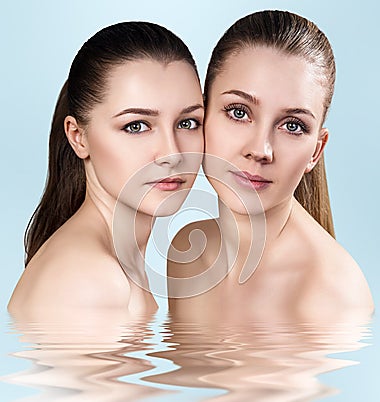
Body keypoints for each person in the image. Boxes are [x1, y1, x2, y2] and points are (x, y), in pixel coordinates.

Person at [168, 10, 373, 321]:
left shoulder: (335, 297)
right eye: (239, 112)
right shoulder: (186, 250)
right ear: (202, 115)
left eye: (292, 126)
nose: (260, 150)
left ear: (316, 151)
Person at [8, 22, 204, 316]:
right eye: (136, 126)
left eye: (187, 123)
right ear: (78, 137)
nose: (173, 154)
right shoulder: (93, 281)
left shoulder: (115, 265)